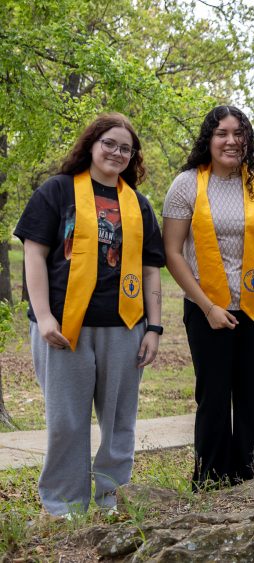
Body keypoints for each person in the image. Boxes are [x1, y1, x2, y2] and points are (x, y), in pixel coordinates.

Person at [14, 113, 165, 516]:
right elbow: (34, 253)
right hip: (64, 326)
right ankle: (65, 504)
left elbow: (151, 268)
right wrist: (43, 316)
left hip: (124, 326)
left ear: (133, 157)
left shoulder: (138, 204)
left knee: (119, 422)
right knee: (67, 421)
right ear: (92, 144)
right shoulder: (57, 191)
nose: (116, 152)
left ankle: (112, 497)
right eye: (109, 144)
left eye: (125, 148)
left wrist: (154, 326)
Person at [163, 106, 254, 487]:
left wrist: (251, 285)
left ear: (247, 139)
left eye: (238, 133)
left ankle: (250, 476)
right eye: (222, 133)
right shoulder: (186, 184)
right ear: (208, 140)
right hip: (205, 307)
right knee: (213, 396)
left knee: (251, 396)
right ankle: (212, 478)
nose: (231, 141)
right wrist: (209, 305)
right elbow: (172, 253)